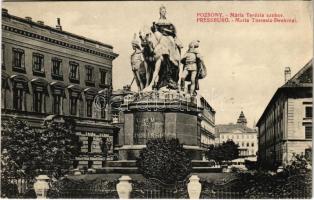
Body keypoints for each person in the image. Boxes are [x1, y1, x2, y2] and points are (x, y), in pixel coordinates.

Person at [144, 5, 182, 91]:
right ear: (160, 12)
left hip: (168, 37)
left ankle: (172, 57)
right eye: (162, 11)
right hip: (159, 37)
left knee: (171, 43)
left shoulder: (169, 22)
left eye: (164, 11)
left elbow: (173, 31)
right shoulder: (157, 22)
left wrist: (166, 32)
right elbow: (153, 30)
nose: (163, 12)